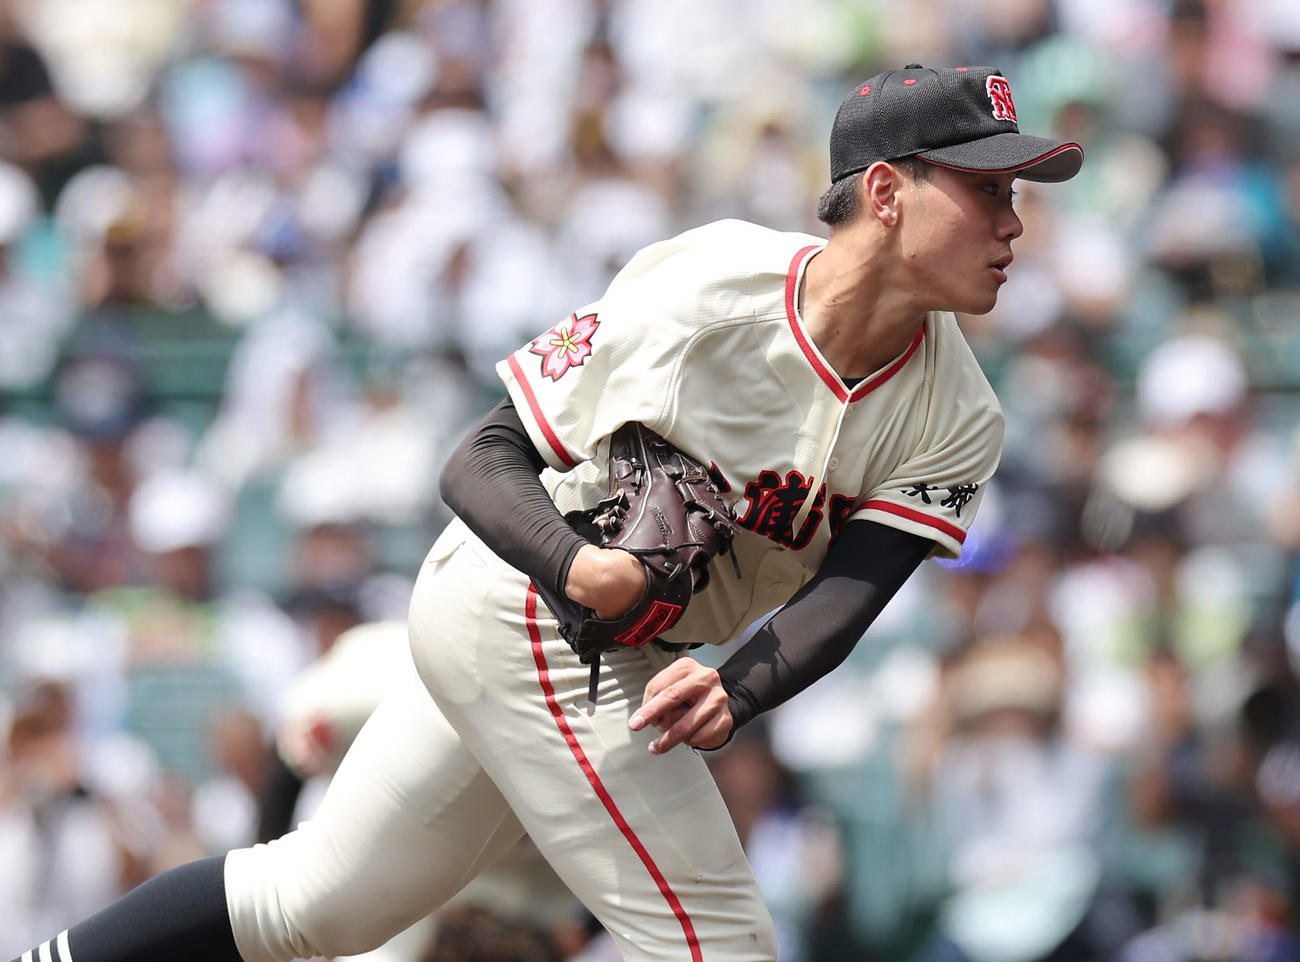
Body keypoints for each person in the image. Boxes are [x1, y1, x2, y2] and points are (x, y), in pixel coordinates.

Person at [11, 63, 1082, 962]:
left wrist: (739, 686)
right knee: (720, 944)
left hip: (618, 647)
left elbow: (851, 592)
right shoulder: (711, 287)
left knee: (312, 905)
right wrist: (582, 567)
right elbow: (480, 457)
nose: (1012, 222)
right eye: (987, 189)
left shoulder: (958, 412)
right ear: (887, 191)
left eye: (1016, 194)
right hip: (524, 602)